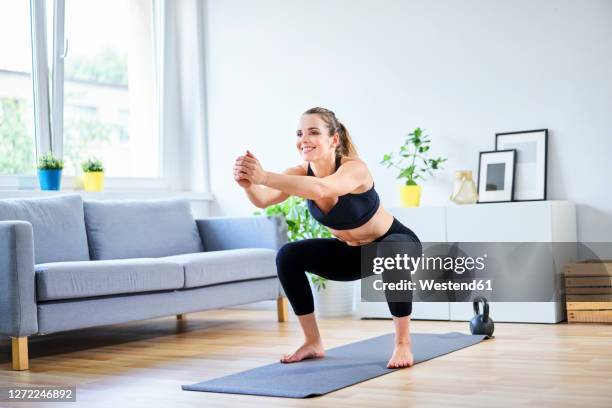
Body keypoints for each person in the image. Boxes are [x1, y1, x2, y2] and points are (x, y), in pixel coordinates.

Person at [233, 107, 421, 369]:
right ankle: (312, 341)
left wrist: (264, 176)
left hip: (396, 244)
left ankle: (403, 344)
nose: (304, 139)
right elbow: (264, 200)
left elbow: (322, 188)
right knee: (288, 255)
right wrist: (249, 184)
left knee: (392, 250)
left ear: (333, 140)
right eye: (300, 133)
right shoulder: (299, 173)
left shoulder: (355, 169)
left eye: (313, 132)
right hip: (353, 255)